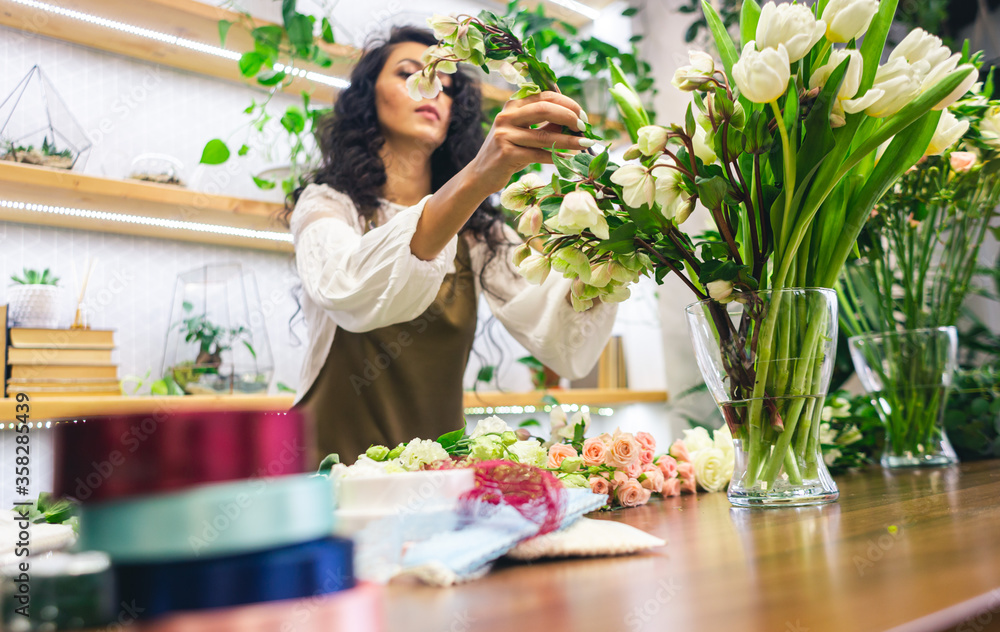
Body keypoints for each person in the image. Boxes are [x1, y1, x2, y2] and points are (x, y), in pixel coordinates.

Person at [288, 26, 617, 463]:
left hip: (437, 481)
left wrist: (605, 241)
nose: (434, 89)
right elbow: (346, 287)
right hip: (328, 471)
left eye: (447, 85)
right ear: (369, 97)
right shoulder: (327, 204)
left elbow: (562, 342)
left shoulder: (478, 230)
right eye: (411, 73)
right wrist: (479, 177)